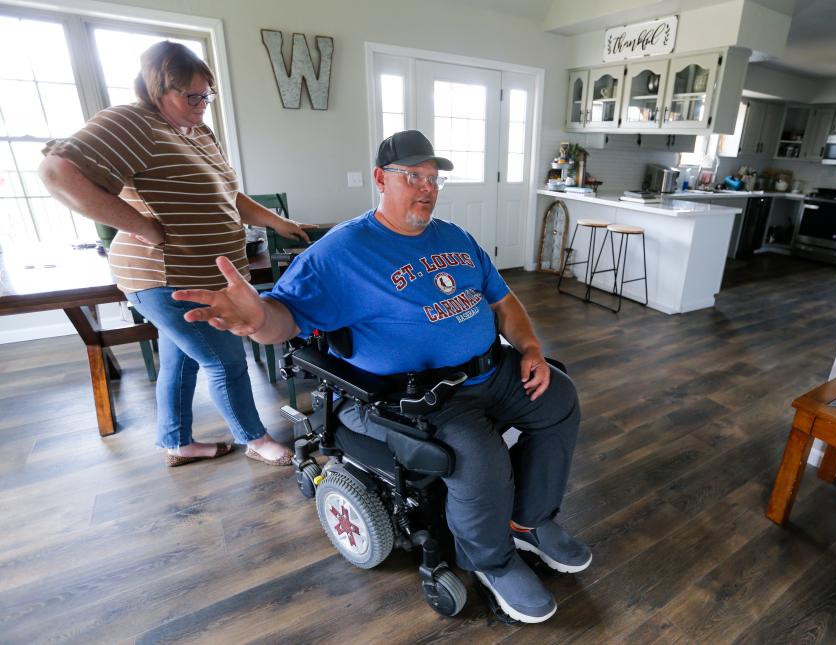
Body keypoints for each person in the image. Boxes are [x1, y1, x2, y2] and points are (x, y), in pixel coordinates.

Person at [171, 130, 591, 623]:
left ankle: (530, 519)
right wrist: (258, 318)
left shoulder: (456, 237)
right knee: (479, 454)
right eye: (412, 176)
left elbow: (502, 300)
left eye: (434, 178)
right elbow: (284, 317)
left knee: (558, 399)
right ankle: (490, 561)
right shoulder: (342, 251)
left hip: (490, 370)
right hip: (419, 397)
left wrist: (531, 348)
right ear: (380, 178)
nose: (427, 188)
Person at [38, 41, 308, 467]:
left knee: (182, 360)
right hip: (168, 277)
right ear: (155, 88)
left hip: (206, 274)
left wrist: (275, 221)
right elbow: (58, 173)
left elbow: (227, 193)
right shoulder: (133, 123)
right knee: (225, 359)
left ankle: (176, 441)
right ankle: (254, 439)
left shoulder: (198, 132)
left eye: (207, 94)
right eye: (191, 95)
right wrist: (142, 227)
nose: (202, 104)